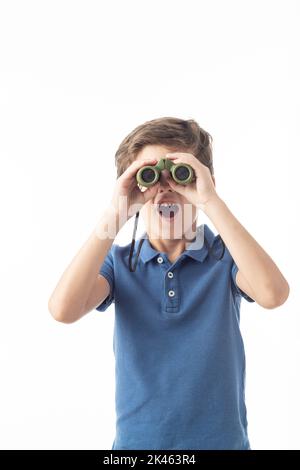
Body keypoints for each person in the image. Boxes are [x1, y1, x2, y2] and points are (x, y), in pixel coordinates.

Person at [48, 117, 289, 450]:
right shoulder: (120, 263)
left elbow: (273, 294)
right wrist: (115, 213)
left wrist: (211, 201)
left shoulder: (225, 258)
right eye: (149, 177)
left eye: (180, 174)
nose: (166, 187)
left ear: (204, 182)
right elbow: (63, 310)